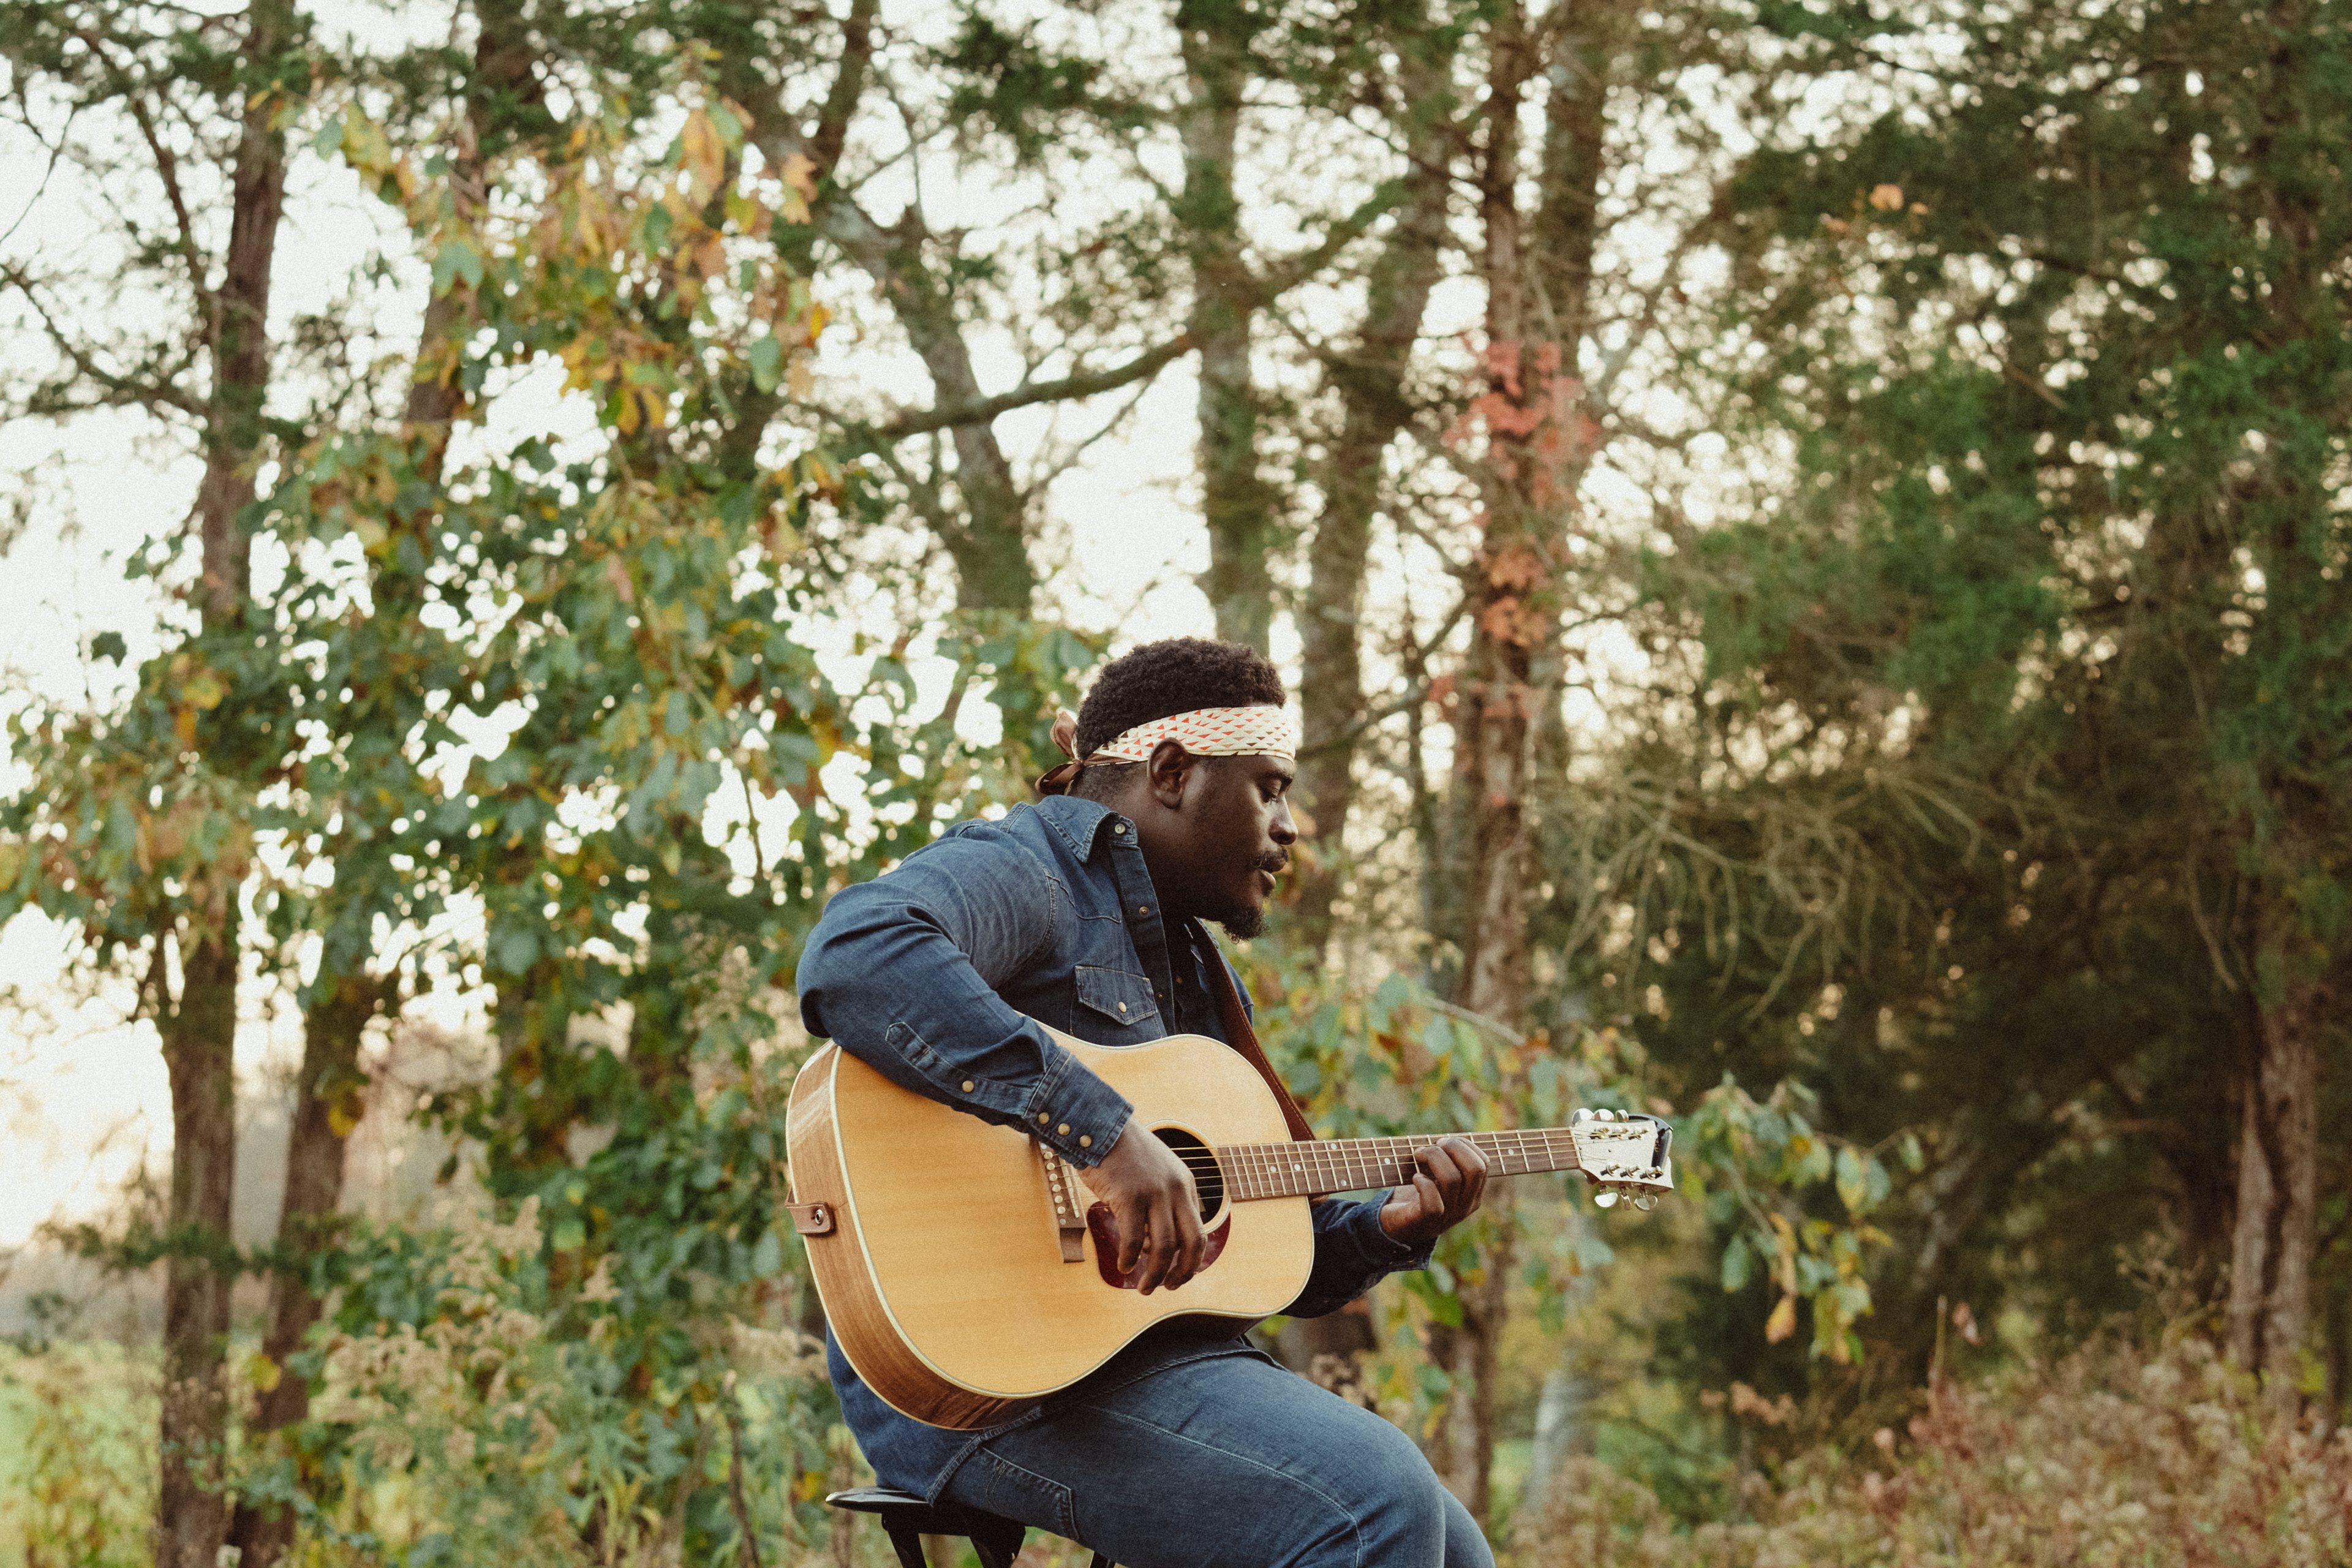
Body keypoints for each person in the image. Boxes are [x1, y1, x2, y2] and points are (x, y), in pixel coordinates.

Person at [795, 636, 1494, 1568]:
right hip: (991, 1377)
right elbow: (859, 951)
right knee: (1373, 1501)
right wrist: (1106, 1137)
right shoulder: (1031, 871)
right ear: (1171, 773)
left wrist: (1390, 1228)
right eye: (1269, 790)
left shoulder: (1204, 980)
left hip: (1156, 1362)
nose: (1290, 827)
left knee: (1454, 1545)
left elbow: (1264, 1258)